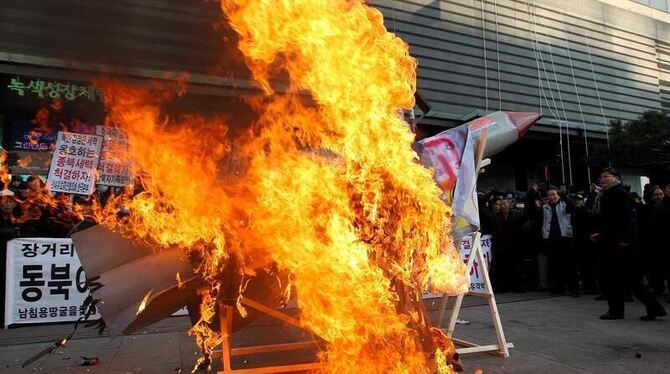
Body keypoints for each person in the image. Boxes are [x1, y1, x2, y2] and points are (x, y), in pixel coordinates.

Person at [593, 168, 666, 320]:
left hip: (620, 244)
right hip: (614, 240)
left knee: (617, 278)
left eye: (606, 176)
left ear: (616, 178)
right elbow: (611, 221)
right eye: (602, 177)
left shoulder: (618, 193)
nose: (603, 179)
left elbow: (626, 219)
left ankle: (617, 311)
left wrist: (624, 239)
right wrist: (602, 234)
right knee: (628, 280)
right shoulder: (610, 193)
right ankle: (652, 308)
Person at [542, 187, 578, 296]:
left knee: (569, 264)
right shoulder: (545, 206)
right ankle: (558, 288)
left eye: (554, 194)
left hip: (565, 237)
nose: (552, 197)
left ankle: (573, 289)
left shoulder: (564, 204)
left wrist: (565, 196)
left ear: (558, 195)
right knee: (555, 265)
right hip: (551, 238)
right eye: (550, 195)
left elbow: (572, 208)